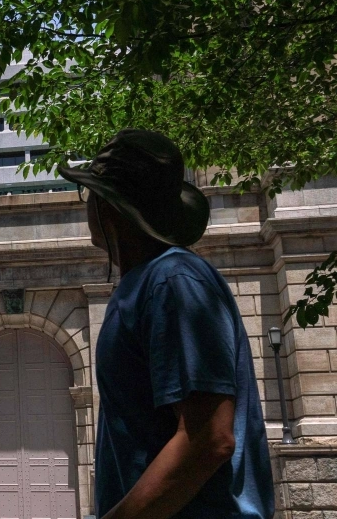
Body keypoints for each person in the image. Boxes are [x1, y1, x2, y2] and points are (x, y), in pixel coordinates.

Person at [59, 129, 274, 518]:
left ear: (110, 206)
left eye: (89, 193)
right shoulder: (146, 284)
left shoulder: (173, 281)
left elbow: (208, 437)